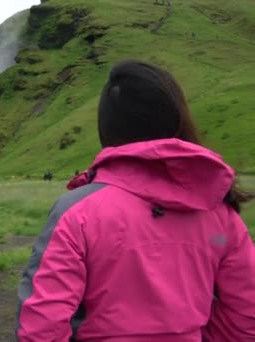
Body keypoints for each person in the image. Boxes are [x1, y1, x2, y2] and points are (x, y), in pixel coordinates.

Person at [16, 60, 255, 341]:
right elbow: (246, 313)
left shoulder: (76, 212)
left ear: (106, 129)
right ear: (177, 120)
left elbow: (43, 327)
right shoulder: (221, 215)